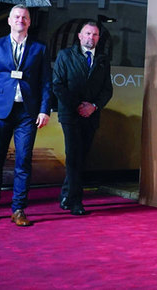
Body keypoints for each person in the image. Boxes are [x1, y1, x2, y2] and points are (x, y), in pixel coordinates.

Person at [0, 5, 51, 227]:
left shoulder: (39, 48)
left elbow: (46, 82)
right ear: (9, 21)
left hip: (28, 112)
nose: (20, 20)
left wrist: (44, 109)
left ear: (30, 22)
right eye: (16, 16)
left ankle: (18, 208)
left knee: (23, 160)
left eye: (25, 17)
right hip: (0, 111)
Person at [52, 21, 113, 215]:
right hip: (70, 114)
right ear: (79, 36)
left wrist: (93, 107)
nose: (91, 37)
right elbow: (58, 85)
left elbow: (107, 90)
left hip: (91, 115)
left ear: (98, 38)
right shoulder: (65, 55)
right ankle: (76, 202)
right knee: (73, 157)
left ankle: (66, 195)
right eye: (87, 33)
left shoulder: (103, 59)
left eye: (95, 35)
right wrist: (78, 106)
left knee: (81, 157)